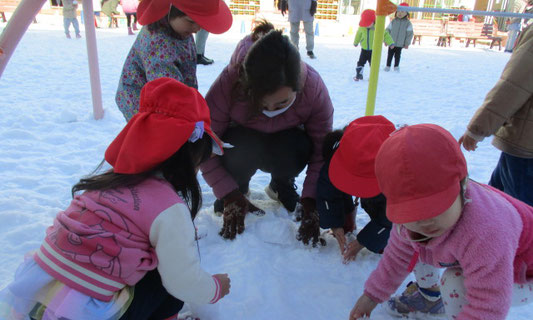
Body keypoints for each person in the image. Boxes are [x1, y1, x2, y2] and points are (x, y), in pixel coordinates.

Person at [0, 78, 232, 320]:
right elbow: (182, 279)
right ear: (187, 156)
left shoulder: (105, 183)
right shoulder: (168, 207)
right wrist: (215, 288)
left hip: (39, 301)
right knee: (164, 273)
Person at [348, 124, 533, 320]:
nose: (424, 219)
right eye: (411, 211)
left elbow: (490, 305)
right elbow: (398, 256)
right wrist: (372, 295)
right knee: (421, 243)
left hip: (521, 270)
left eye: (435, 206)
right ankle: (429, 297)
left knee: (456, 283)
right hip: (479, 258)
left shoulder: (486, 230)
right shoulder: (412, 224)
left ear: (462, 185)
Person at [200, 26, 334, 246]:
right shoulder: (230, 83)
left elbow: (322, 152)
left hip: (286, 146)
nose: (271, 109)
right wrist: (228, 191)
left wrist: (311, 199)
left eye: (282, 102)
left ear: (298, 88)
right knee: (238, 147)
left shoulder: (313, 88)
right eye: (262, 102)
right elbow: (205, 142)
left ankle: (281, 185)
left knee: (298, 145)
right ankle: (239, 186)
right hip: (243, 144)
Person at [115, 0, 232, 121]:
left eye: (202, 23)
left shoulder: (179, 29)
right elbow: (168, 94)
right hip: (140, 101)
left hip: (168, 95)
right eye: (191, 21)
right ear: (171, 10)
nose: (197, 28)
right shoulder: (159, 45)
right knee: (156, 134)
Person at [460, 23, 533, 206]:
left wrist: (477, 129)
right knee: (494, 203)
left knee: (514, 210)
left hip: (526, 147)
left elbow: (513, 86)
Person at [318, 115, 395, 263]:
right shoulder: (340, 154)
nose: (357, 190)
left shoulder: (399, 179)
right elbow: (327, 190)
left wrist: (365, 240)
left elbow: (392, 218)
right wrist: (334, 222)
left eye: (365, 184)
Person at [353, 9, 394, 81]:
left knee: (373, 65)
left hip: (374, 51)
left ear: (374, 21)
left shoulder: (378, 27)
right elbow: (358, 35)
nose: (365, 26)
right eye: (364, 23)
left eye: (367, 24)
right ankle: (359, 75)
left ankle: (373, 77)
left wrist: (390, 43)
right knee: (360, 63)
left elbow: (385, 35)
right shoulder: (361, 28)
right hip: (364, 49)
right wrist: (356, 42)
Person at [384, 3, 413, 72]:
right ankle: (388, 66)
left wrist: (407, 43)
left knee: (397, 56)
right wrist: (386, 40)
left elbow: (409, 34)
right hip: (391, 42)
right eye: (398, 11)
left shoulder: (408, 23)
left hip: (400, 43)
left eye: (402, 12)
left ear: (406, 13)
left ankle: (396, 66)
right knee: (390, 55)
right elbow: (387, 31)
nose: (400, 13)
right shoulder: (393, 21)